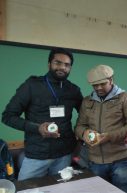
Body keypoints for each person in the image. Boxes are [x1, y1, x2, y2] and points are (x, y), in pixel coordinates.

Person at [2, 48, 83, 181]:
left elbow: (85, 115)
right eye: (58, 62)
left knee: (61, 190)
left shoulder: (73, 90)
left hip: (64, 155)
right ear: (49, 64)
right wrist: (37, 128)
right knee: (26, 190)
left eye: (67, 65)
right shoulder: (31, 86)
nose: (62, 67)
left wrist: (81, 135)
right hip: (36, 155)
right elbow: (8, 116)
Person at [74, 64, 127, 193]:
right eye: (95, 85)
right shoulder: (87, 101)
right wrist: (84, 133)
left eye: (102, 84)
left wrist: (109, 136)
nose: (98, 88)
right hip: (95, 161)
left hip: (121, 160)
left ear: (111, 80)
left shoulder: (125, 98)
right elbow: (79, 126)